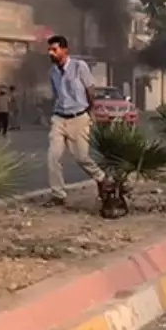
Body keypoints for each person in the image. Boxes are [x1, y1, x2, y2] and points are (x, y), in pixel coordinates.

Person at [45, 35, 107, 205]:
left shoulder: (80, 67)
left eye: (54, 50)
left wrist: (91, 110)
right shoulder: (52, 72)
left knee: (82, 157)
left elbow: (90, 89)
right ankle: (58, 195)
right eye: (49, 50)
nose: (51, 53)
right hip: (59, 118)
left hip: (79, 117)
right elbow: (56, 94)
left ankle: (101, 178)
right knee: (53, 157)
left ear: (65, 50)